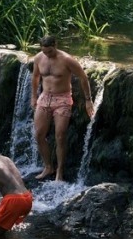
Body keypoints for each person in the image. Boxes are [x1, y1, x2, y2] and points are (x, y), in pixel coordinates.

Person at [31, 35, 95, 182]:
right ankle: (48, 167)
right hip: (44, 98)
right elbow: (35, 77)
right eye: (45, 52)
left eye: (50, 51)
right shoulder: (39, 58)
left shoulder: (67, 60)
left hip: (62, 100)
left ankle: (59, 171)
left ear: (55, 45)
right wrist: (33, 97)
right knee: (39, 135)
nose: (47, 54)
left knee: (60, 136)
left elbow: (83, 77)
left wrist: (88, 100)